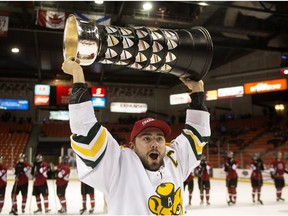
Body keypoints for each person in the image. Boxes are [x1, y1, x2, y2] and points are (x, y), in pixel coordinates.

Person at [61, 57, 210, 215]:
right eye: (146, 138)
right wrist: (78, 75)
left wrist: (197, 91)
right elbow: (85, 130)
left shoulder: (174, 159)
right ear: (132, 146)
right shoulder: (118, 166)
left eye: (159, 138)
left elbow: (197, 132)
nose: (154, 143)